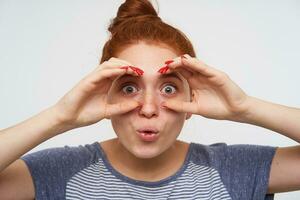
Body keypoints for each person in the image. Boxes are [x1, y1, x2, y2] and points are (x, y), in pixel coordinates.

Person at [0, 0, 299, 199]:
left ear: (193, 99)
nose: (148, 108)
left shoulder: (233, 169)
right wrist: (59, 117)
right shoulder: (60, 170)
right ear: (105, 94)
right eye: (129, 88)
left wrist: (244, 108)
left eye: (168, 88)